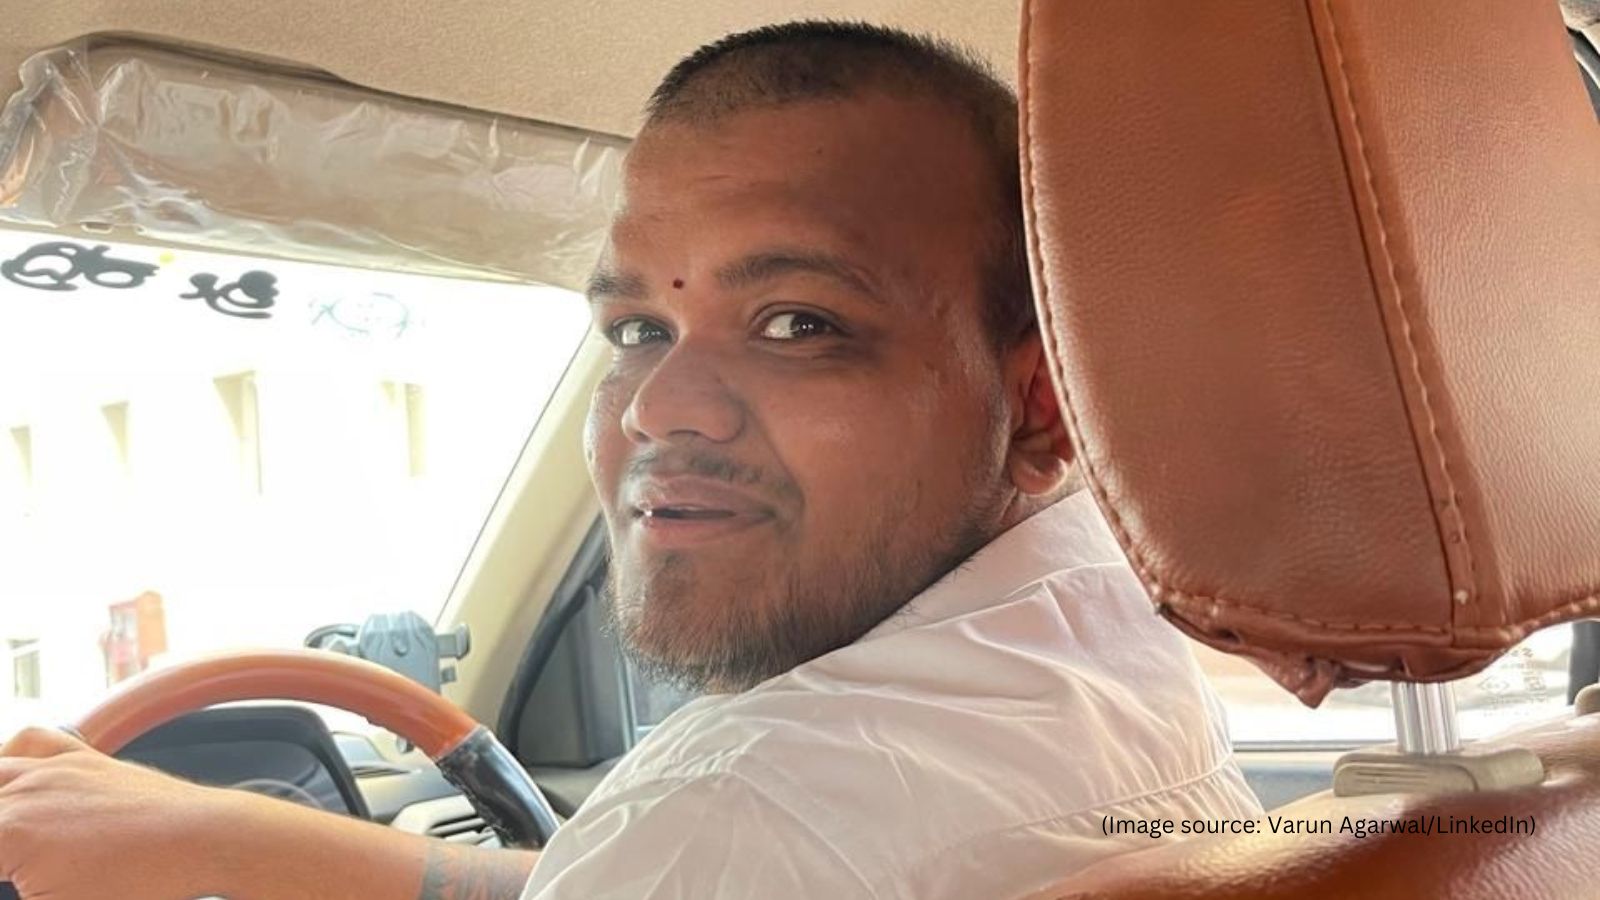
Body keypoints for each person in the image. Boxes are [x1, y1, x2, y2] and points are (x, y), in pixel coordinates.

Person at [0, 21, 1261, 900]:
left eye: (798, 324)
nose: (660, 408)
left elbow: (731, 842)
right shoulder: (1086, 623)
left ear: (1036, 407)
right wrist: (232, 843)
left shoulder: (745, 809)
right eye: (637, 330)